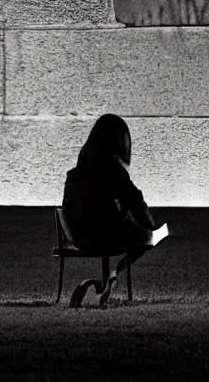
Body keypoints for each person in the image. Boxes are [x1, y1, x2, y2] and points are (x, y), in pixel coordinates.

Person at [62, 114, 169, 307]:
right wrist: (149, 227)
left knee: (137, 233)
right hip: (108, 236)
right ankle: (115, 273)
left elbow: (68, 209)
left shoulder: (74, 174)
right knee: (148, 238)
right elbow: (136, 203)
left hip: (80, 238)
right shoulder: (115, 173)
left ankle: (99, 283)